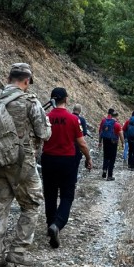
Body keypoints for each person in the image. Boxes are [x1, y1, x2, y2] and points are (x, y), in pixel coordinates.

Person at [0, 62, 50, 267]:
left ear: (8, 78)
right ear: (26, 81)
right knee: (32, 204)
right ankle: (18, 251)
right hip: (22, 163)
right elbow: (44, 134)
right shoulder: (30, 101)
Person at [42, 87, 92, 249]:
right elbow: (81, 142)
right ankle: (57, 225)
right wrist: (88, 158)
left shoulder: (46, 117)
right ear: (66, 99)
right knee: (66, 195)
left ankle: (50, 223)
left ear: (52, 100)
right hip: (67, 161)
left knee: (49, 194)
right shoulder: (72, 119)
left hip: (48, 159)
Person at [97, 108, 123, 180]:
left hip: (105, 140)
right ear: (114, 116)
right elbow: (120, 134)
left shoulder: (104, 121)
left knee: (105, 156)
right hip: (113, 142)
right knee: (112, 158)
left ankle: (104, 170)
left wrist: (100, 142)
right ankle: (110, 175)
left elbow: (100, 132)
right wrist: (123, 143)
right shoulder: (116, 124)